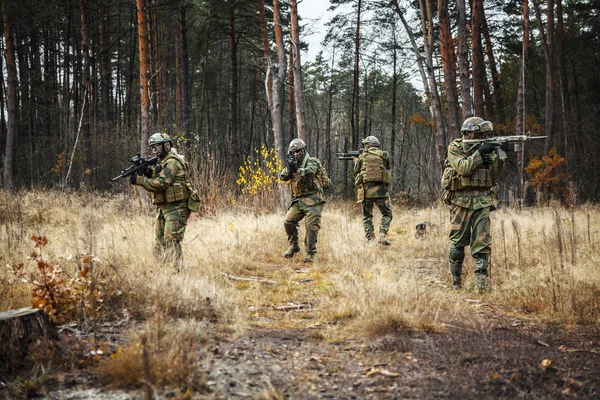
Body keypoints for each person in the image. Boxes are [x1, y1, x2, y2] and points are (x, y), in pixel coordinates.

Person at [445, 117, 505, 291]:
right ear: (467, 132)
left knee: (483, 245)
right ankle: (455, 283)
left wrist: (500, 155)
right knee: (458, 243)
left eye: (482, 134)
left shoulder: (486, 147)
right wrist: (480, 153)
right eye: (477, 133)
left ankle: (481, 288)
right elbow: (463, 168)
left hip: (482, 202)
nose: (481, 136)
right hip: (461, 202)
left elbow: (494, 176)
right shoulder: (455, 147)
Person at [130, 132, 198, 272]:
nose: (155, 151)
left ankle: (177, 272)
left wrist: (140, 180)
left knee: (172, 241)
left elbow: (161, 183)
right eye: (152, 148)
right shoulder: (161, 162)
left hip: (177, 207)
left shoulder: (172, 161)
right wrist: (147, 172)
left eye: (157, 147)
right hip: (164, 207)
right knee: (159, 242)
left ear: (166, 146)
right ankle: (160, 271)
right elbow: (157, 175)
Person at [279, 138, 326, 263]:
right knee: (288, 221)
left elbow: (310, 171)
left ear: (303, 150)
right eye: (293, 152)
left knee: (311, 227)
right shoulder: (293, 163)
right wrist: (290, 169)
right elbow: (282, 176)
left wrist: (298, 171)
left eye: (298, 151)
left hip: (313, 200)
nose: (295, 154)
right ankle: (294, 246)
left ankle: (310, 254)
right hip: (299, 201)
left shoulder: (312, 161)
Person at [352, 136, 393, 245]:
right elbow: (388, 166)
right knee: (387, 214)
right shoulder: (385, 155)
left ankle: (371, 239)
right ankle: (383, 235)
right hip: (381, 192)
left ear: (368, 145)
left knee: (367, 216)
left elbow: (356, 171)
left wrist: (356, 161)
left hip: (366, 192)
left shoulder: (362, 156)